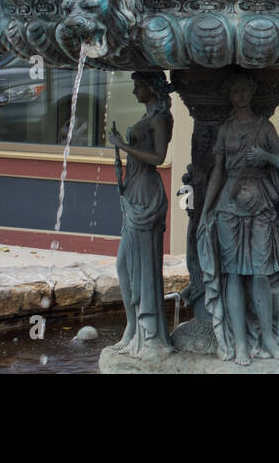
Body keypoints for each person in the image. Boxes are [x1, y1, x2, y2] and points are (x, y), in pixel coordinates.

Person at [197, 73, 279, 365]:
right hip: (229, 207)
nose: (240, 95)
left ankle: (268, 338)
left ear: (252, 93)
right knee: (233, 276)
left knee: (260, 274)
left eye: (245, 90)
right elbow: (218, 171)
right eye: (235, 90)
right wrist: (207, 208)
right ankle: (240, 343)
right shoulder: (225, 131)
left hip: (260, 206)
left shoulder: (264, 127)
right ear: (229, 95)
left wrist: (265, 157)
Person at [107, 72, 173, 357]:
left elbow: (159, 158)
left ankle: (149, 332)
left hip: (147, 193)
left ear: (151, 87)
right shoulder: (149, 115)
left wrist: (123, 145)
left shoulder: (161, 118)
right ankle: (132, 327)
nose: (134, 90)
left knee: (141, 265)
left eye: (138, 86)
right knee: (125, 265)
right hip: (134, 192)